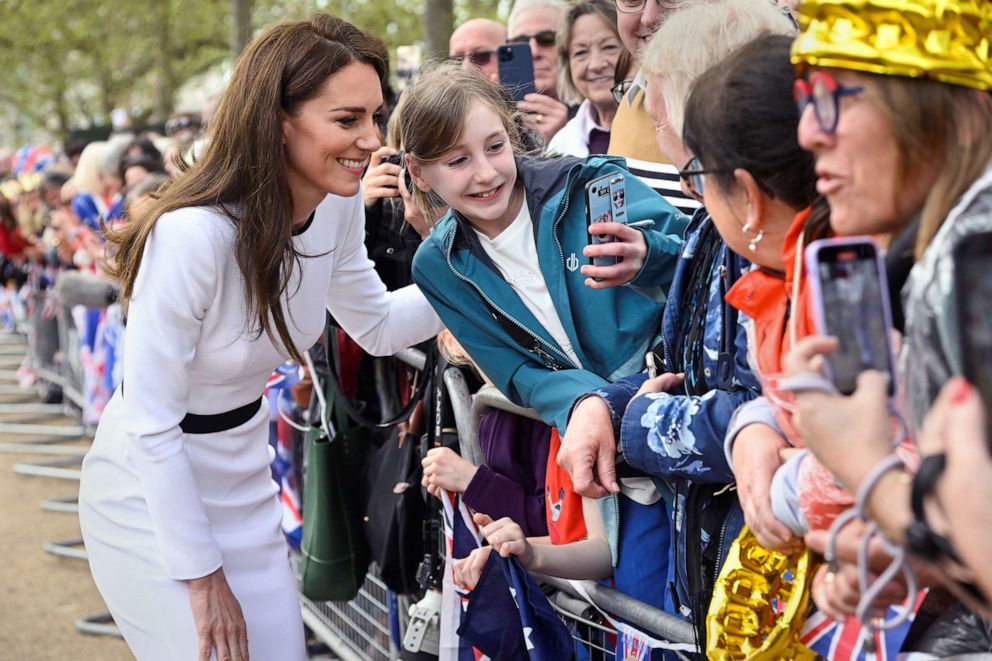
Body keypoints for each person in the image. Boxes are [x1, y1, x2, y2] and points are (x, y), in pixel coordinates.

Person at [77, 14, 443, 661]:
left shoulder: (336, 206)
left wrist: (472, 279)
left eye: (375, 117)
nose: (370, 140)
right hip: (149, 497)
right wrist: (201, 575)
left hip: (246, 489)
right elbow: (152, 423)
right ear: (281, 121)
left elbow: (379, 323)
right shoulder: (190, 236)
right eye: (347, 119)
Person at [778, 0, 992, 634]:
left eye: (835, 95)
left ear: (932, 101)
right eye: (804, 98)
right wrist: (912, 551)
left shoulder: (975, 256)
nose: (809, 132)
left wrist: (869, 473)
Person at [404, 63, 686, 436]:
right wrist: (585, 404)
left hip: (678, 388)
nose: (486, 173)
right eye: (458, 160)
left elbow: (697, 260)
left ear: (511, 135)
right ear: (419, 172)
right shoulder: (438, 264)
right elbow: (515, 371)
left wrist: (649, 254)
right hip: (592, 429)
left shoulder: (590, 183)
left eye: (495, 147)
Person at [546, 0, 632, 157]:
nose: (595, 65)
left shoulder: (666, 129)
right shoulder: (560, 144)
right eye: (581, 52)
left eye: (609, 47)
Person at [507, 0, 572, 142]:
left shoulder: (596, 111)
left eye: (547, 39)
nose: (534, 52)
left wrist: (567, 138)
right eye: (521, 42)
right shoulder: (497, 117)